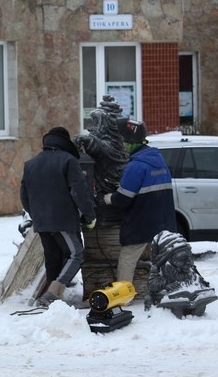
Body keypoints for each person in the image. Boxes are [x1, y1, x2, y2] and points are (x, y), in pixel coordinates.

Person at [20, 127, 97, 307]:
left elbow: (24, 195)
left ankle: (52, 300)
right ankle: (52, 294)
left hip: (41, 221)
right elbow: (79, 191)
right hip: (62, 220)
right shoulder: (68, 161)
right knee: (76, 254)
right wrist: (89, 215)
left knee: (52, 257)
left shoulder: (30, 164)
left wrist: (36, 214)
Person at [104, 118, 176, 285]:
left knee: (127, 258)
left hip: (142, 223)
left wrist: (109, 198)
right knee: (163, 259)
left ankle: (123, 296)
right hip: (164, 222)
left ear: (131, 141)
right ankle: (168, 290)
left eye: (123, 141)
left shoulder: (136, 166)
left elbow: (122, 199)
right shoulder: (159, 161)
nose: (122, 145)